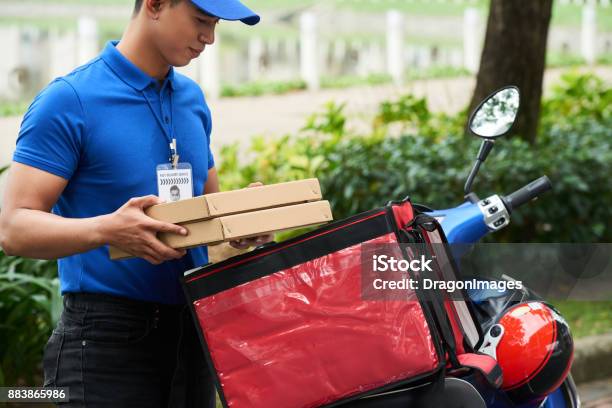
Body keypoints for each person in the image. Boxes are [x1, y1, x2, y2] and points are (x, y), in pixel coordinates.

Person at [0, 0, 269, 406]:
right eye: (200, 21)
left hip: (191, 335)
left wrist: (242, 225)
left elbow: (208, 220)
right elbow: (13, 228)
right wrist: (105, 229)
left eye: (215, 26)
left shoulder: (192, 99)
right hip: (104, 343)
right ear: (155, 4)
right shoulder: (70, 100)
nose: (209, 39)